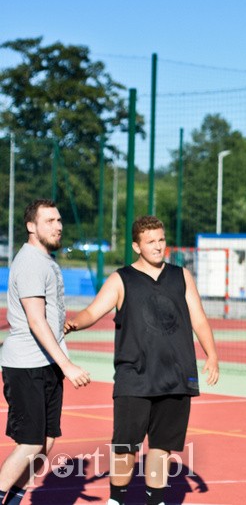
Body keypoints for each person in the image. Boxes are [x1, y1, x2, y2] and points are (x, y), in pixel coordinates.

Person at [64, 215, 219, 505]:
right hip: (134, 376)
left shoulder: (181, 276)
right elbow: (92, 312)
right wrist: (74, 323)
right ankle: (117, 500)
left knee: (162, 447)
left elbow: (198, 318)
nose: (158, 246)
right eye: (151, 242)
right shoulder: (121, 279)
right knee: (125, 446)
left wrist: (212, 355)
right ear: (137, 246)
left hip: (176, 375)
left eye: (161, 240)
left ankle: (155, 500)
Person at [0, 199, 91, 505]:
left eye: (59, 220)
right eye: (49, 220)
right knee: (29, 444)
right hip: (27, 365)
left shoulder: (46, 261)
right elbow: (35, 320)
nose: (58, 226)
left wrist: (60, 329)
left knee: (46, 442)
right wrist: (68, 365)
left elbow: (45, 317)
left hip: (46, 363)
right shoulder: (29, 262)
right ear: (31, 227)